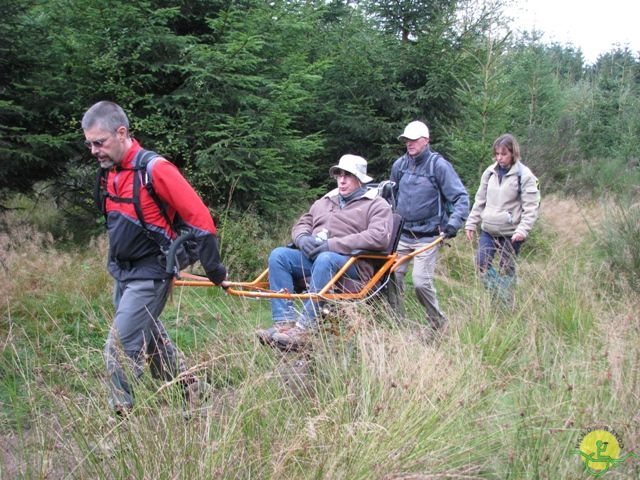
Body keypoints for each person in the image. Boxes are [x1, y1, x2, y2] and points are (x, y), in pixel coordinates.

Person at [82, 101, 227, 415]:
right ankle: (193, 390)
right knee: (149, 338)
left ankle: (122, 419)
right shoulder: (111, 171)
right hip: (123, 272)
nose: (94, 151)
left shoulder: (155, 169)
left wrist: (215, 271)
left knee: (119, 348)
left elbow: (202, 221)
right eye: (89, 144)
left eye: (99, 142)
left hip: (152, 273)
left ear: (122, 133)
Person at [256, 154, 393, 351]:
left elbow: (379, 237)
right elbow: (304, 223)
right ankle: (284, 324)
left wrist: (333, 245)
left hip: (352, 265)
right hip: (318, 260)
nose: (342, 180)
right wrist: (302, 238)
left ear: (360, 179)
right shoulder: (325, 201)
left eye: (348, 175)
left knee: (325, 258)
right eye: (339, 174)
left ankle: (303, 329)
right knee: (279, 255)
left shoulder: (376, 204)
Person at [390, 120, 469, 334]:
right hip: (403, 235)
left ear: (426, 141)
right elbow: (391, 197)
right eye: (407, 140)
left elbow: (461, 197)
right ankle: (397, 323)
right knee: (392, 276)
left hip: (429, 236)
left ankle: (438, 325)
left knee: (420, 282)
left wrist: (453, 224)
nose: (409, 143)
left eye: (414, 139)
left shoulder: (439, 166)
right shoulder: (399, 166)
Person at [464, 133, 540, 305]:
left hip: (511, 233)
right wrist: (471, 223)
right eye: (497, 154)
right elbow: (480, 200)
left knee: (506, 269)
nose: (499, 158)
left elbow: (531, 207)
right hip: (488, 229)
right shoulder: (489, 173)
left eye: (503, 154)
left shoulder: (525, 175)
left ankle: (507, 303)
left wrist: (522, 230)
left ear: (513, 153)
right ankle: (496, 295)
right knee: (481, 263)